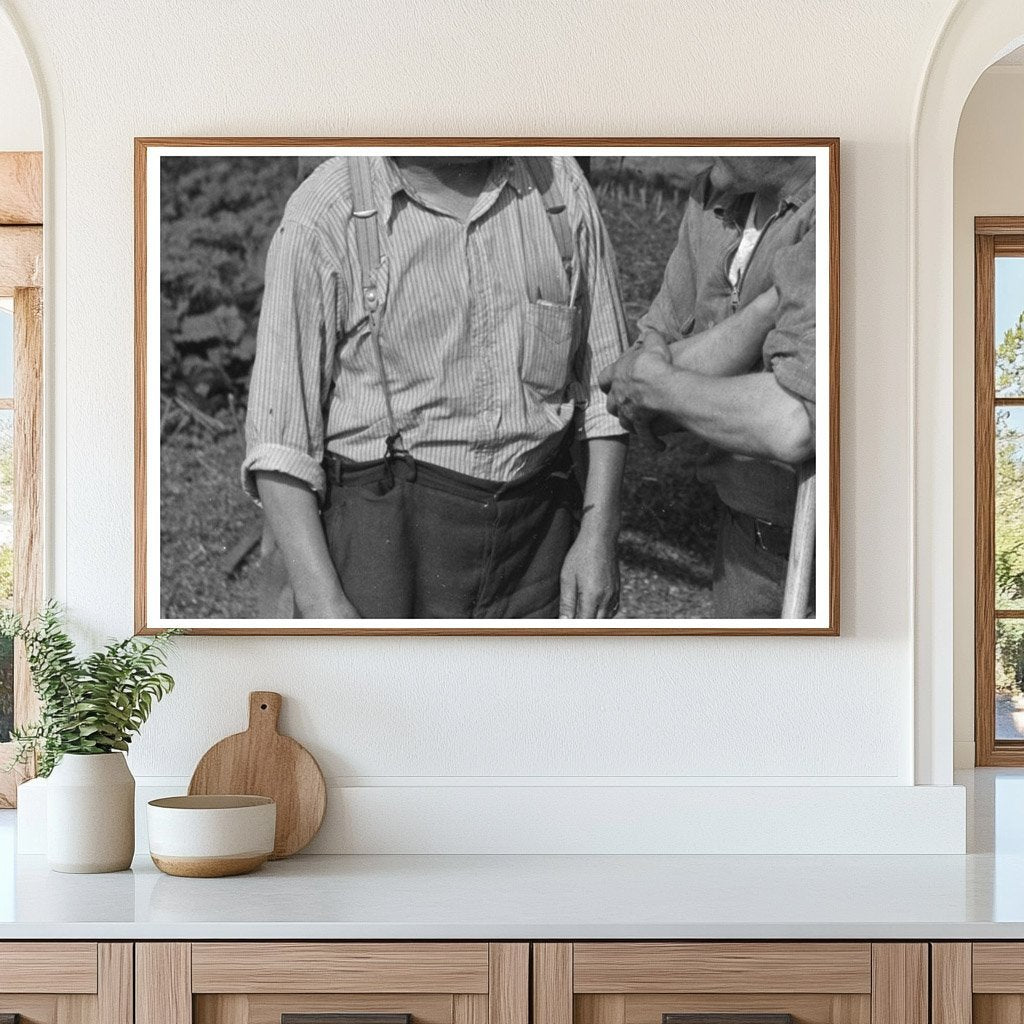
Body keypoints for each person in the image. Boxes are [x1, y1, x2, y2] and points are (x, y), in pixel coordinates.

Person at [243, 155, 629, 620]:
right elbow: (279, 446)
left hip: (536, 538)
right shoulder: (327, 212)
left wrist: (598, 534)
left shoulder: (556, 183)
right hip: (389, 541)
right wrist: (326, 605)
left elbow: (608, 385)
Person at [599, 157, 817, 618]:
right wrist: (762, 314)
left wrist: (662, 386)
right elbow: (625, 381)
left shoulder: (837, 209)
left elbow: (791, 420)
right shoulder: (715, 193)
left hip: (830, 560)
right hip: (743, 545)